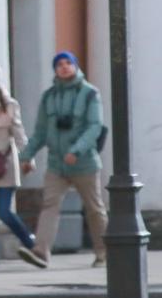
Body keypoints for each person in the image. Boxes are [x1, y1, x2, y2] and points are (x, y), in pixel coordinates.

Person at [19, 51, 109, 267]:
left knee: (94, 208)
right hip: (56, 164)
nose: (64, 67)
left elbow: (94, 127)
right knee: (49, 205)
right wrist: (26, 155)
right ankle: (41, 252)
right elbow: (40, 131)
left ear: (76, 66)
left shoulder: (89, 93)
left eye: (68, 63)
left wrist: (76, 150)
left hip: (84, 162)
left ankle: (103, 253)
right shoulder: (49, 96)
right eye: (59, 64)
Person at [0, 63, 45, 269]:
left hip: (6, 163)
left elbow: (19, 133)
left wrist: (28, 158)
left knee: (4, 212)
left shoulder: (9, 104)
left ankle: (31, 243)